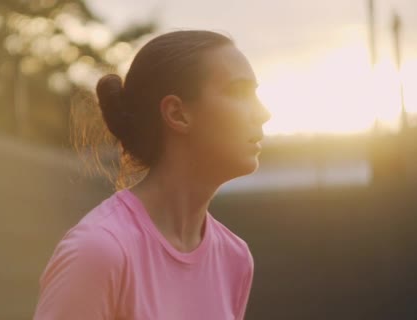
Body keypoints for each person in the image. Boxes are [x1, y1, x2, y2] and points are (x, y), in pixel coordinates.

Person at [33, 30, 271, 320]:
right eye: (239, 92)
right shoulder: (99, 252)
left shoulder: (235, 258)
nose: (263, 113)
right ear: (177, 114)